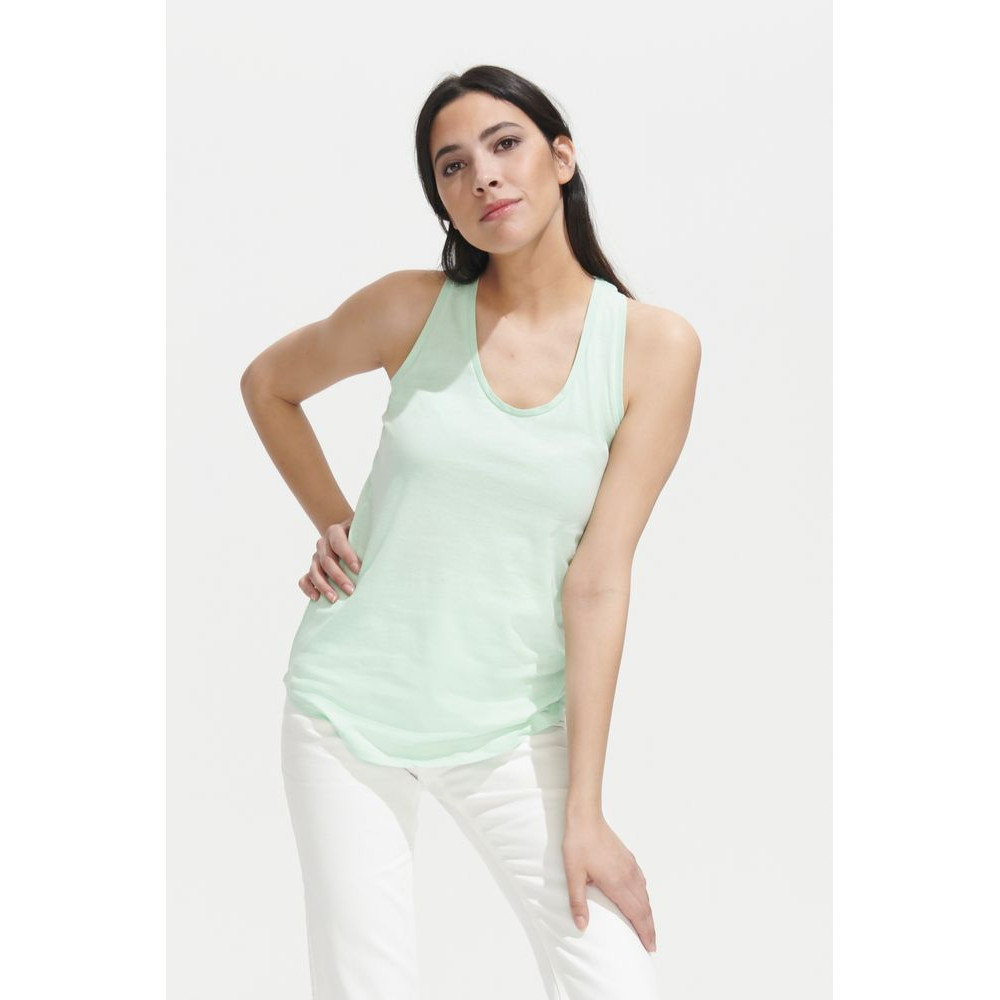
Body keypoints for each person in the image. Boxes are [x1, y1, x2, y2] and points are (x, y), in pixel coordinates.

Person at [240, 64, 701, 1000]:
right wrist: (334, 520)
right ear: (443, 202)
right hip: (348, 710)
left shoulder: (653, 348)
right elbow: (269, 385)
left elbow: (597, 580)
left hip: (512, 726)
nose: (483, 174)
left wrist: (585, 810)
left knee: (617, 983)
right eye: (452, 166)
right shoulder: (409, 310)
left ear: (561, 157)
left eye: (505, 144)